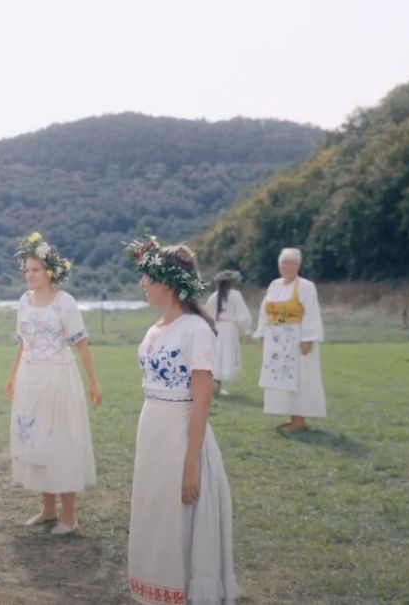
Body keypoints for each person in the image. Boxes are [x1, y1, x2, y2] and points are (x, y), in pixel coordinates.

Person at [124, 235, 237, 605]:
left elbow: (202, 402)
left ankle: (182, 589)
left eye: (148, 277)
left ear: (169, 282)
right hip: (152, 426)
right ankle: (153, 585)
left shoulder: (195, 330)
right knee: (153, 511)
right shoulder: (154, 329)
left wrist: (191, 465)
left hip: (181, 431)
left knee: (178, 515)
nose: (142, 284)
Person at [5, 233, 101, 535]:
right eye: (26, 269)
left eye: (35, 269)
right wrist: (12, 376)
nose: (29, 274)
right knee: (35, 440)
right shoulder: (23, 302)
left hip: (58, 378)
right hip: (30, 378)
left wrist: (93, 384)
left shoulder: (64, 303)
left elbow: (81, 344)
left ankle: (69, 517)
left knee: (61, 441)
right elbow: (22, 343)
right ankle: (47, 509)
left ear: (50, 272)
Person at [254, 248, 325, 431]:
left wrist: (309, 338)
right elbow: (265, 311)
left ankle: (299, 419)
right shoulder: (275, 285)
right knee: (280, 378)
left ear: (298, 265)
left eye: (290, 263)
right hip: (275, 341)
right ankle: (291, 416)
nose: (285, 266)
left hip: (295, 339)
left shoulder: (305, 286)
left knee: (299, 378)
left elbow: (311, 312)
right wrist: (261, 334)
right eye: (283, 263)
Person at [204, 271, 252, 396]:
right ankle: (216, 387)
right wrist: (247, 331)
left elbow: (208, 314)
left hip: (217, 328)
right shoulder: (236, 295)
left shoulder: (214, 296)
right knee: (224, 357)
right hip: (229, 330)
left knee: (217, 357)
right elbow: (243, 314)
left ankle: (216, 387)